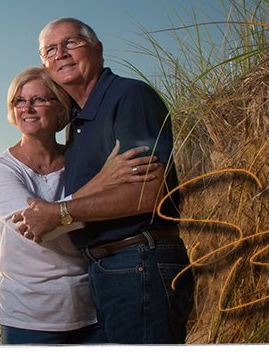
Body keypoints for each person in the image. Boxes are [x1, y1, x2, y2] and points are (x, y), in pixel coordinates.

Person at [14, 17, 195, 344]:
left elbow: (147, 193)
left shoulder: (129, 98)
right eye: (50, 50)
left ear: (97, 49)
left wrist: (58, 213)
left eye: (72, 43)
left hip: (139, 260)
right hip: (110, 269)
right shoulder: (80, 120)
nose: (61, 54)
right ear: (45, 64)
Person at [0, 67, 163, 345]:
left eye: (39, 100)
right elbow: (35, 227)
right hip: (29, 313)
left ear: (60, 109)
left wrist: (63, 210)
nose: (27, 108)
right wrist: (102, 182)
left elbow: (61, 215)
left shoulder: (79, 161)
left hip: (91, 307)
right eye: (19, 101)